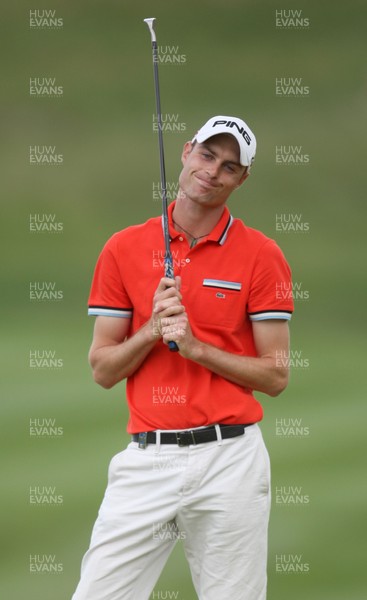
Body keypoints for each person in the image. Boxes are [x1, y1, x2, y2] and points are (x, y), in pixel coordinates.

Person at [72, 115, 294, 600]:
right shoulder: (123, 247)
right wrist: (151, 329)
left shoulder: (262, 255)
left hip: (230, 459)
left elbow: (275, 376)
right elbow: (103, 369)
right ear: (187, 151)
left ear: (242, 179)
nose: (212, 172)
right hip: (147, 460)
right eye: (207, 155)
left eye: (229, 167)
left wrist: (195, 348)